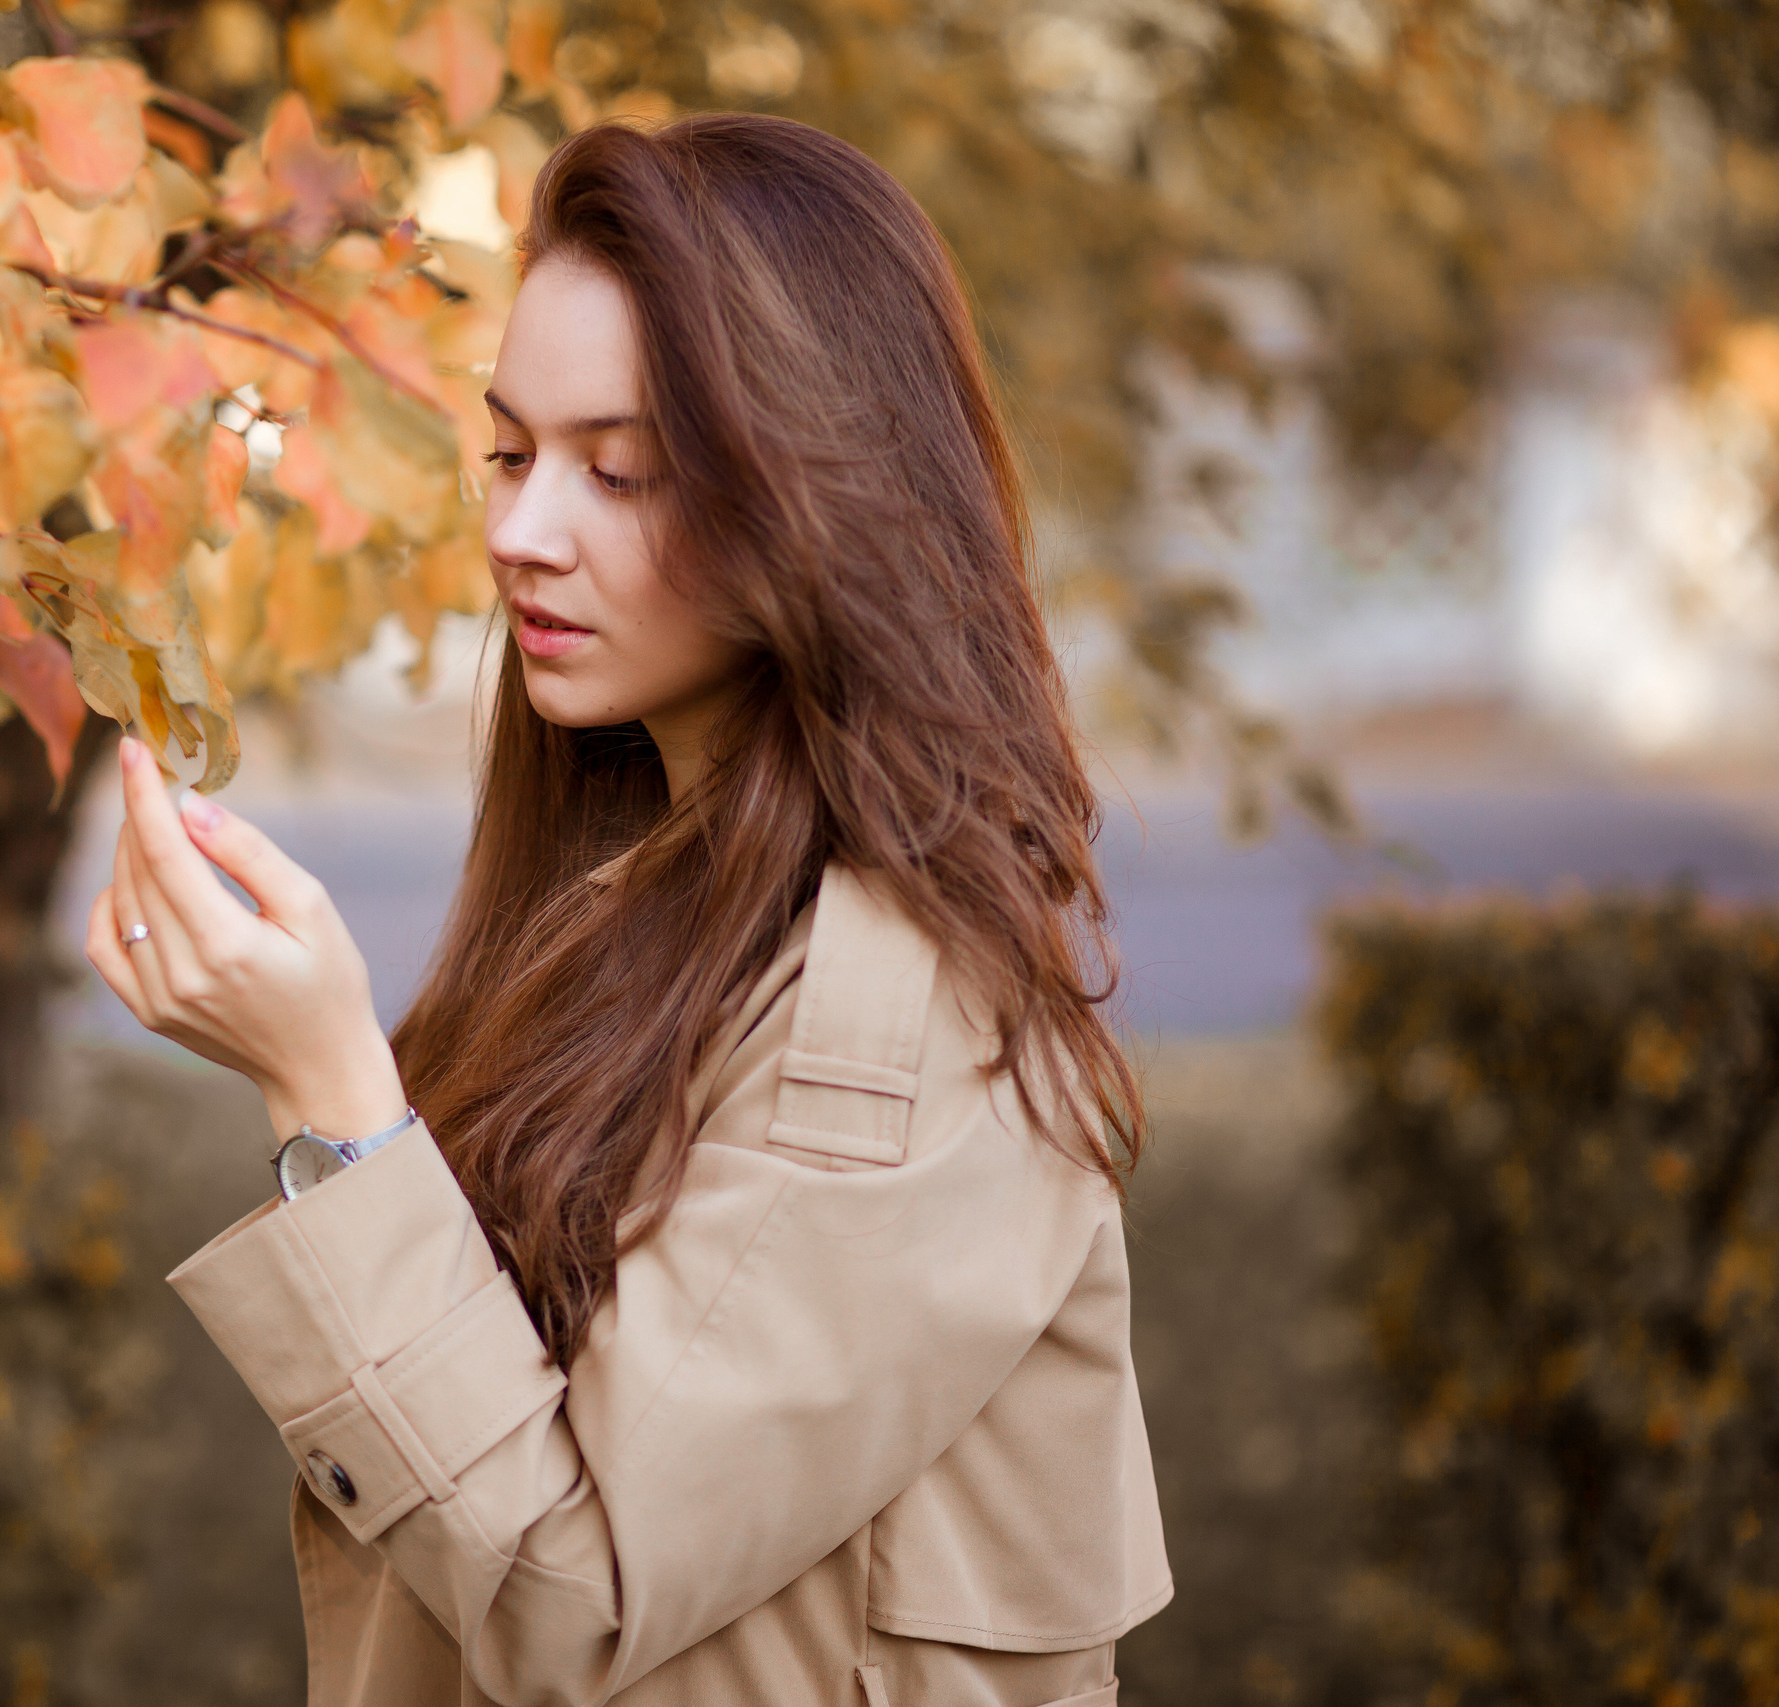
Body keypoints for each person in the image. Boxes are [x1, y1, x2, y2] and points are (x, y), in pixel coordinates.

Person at [86, 112, 1170, 1707]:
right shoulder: (642, 903)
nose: (523, 531)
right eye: (513, 452)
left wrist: (331, 1099)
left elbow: (566, 1599)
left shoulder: (890, 1017)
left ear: (820, 493)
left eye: (623, 470)